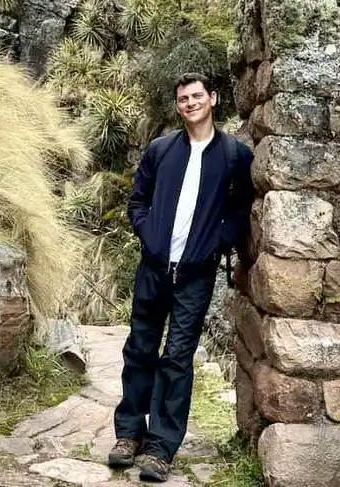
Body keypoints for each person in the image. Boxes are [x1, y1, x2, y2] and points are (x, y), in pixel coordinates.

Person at [107, 72, 255, 483]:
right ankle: (128, 435)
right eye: (183, 99)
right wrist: (149, 235)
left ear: (212, 99)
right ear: (178, 106)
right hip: (153, 268)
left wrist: (216, 243)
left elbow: (241, 209)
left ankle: (161, 448)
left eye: (197, 96)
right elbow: (138, 200)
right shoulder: (160, 150)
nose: (190, 103)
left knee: (177, 358)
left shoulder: (234, 156)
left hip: (196, 273)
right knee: (139, 349)